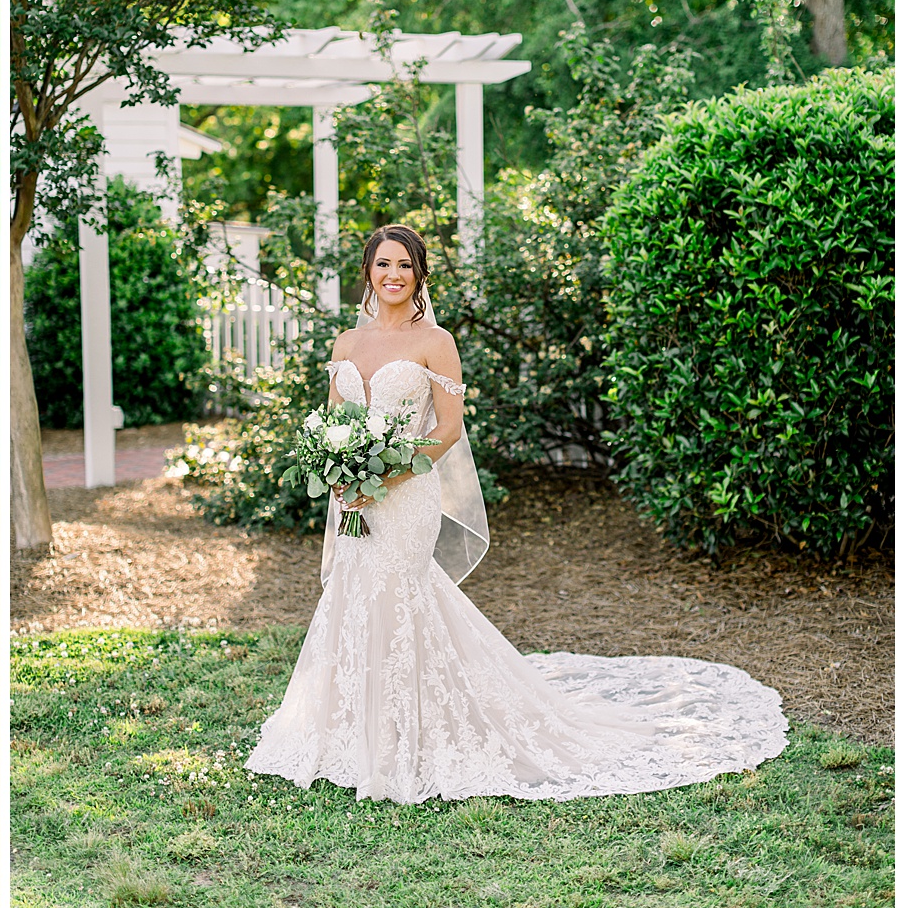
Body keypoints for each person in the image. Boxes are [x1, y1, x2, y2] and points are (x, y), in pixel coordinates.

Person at [246, 223, 787, 803]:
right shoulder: (346, 344)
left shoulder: (436, 342)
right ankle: (349, 731)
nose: (393, 275)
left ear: (419, 273)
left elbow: (449, 428)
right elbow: (333, 421)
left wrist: (387, 475)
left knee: (399, 591)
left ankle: (409, 736)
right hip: (354, 499)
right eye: (383, 265)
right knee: (356, 593)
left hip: (408, 496)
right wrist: (340, 472)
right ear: (368, 273)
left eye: (404, 265)